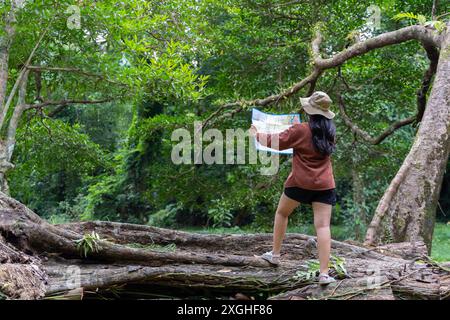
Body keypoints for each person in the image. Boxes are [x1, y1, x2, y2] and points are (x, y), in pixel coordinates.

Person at [249, 91, 337, 285]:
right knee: (323, 226)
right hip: (324, 184)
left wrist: (257, 134)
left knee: (282, 213)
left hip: (299, 182)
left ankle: (275, 254)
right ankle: (323, 274)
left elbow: (276, 141)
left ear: (310, 111)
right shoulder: (330, 132)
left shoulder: (300, 129)